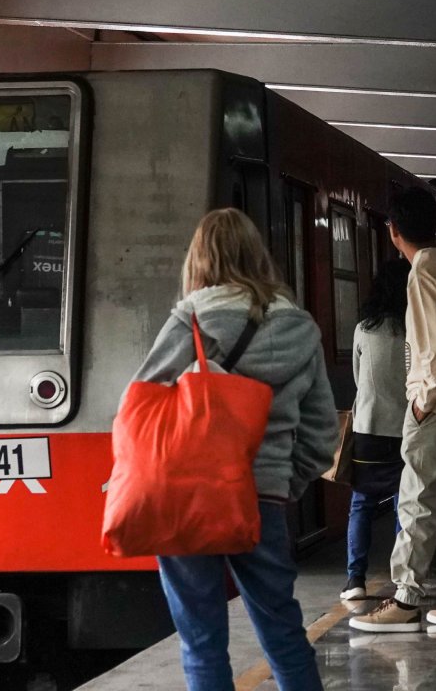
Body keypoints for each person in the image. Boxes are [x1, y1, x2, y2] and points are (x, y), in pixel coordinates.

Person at [129, 208, 338, 691]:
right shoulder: (300, 328)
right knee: (284, 632)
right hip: (262, 499)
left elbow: (139, 403)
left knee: (201, 641)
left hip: (189, 497)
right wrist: (286, 483)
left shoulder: (191, 319)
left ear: (199, 259)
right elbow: (322, 430)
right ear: (257, 253)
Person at [350, 187, 436, 633]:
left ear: (393, 231)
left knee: (416, 503)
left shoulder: (424, 269)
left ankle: (406, 600)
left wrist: (421, 401)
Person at [340, 258, 411, 601]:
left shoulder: (363, 330)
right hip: (405, 430)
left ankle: (355, 580)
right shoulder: (414, 329)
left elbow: (358, 379)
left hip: (368, 428)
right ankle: (402, 579)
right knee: (404, 505)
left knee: (361, 505)